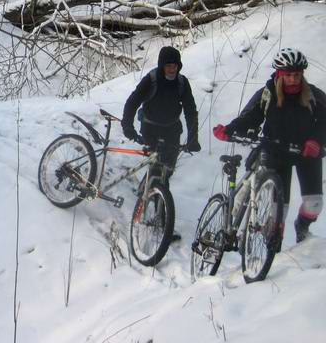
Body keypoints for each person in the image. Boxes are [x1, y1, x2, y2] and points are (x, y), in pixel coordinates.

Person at [213, 48, 326, 243]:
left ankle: (302, 227)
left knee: (313, 204)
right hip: (276, 152)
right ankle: (271, 248)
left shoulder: (314, 95)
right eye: (289, 75)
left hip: (306, 152)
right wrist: (229, 129)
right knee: (277, 213)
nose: (293, 79)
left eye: (297, 75)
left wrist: (316, 141)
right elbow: (250, 117)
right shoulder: (267, 94)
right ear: (280, 74)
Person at [122, 45, 200, 183]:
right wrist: (127, 126)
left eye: (175, 66)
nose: (172, 70)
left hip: (172, 130)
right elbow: (132, 102)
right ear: (161, 65)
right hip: (150, 129)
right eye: (168, 66)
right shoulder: (151, 79)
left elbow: (190, 111)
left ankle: (160, 197)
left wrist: (192, 138)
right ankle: (145, 196)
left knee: (168, 172)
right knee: (156, 168)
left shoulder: (182, 83)